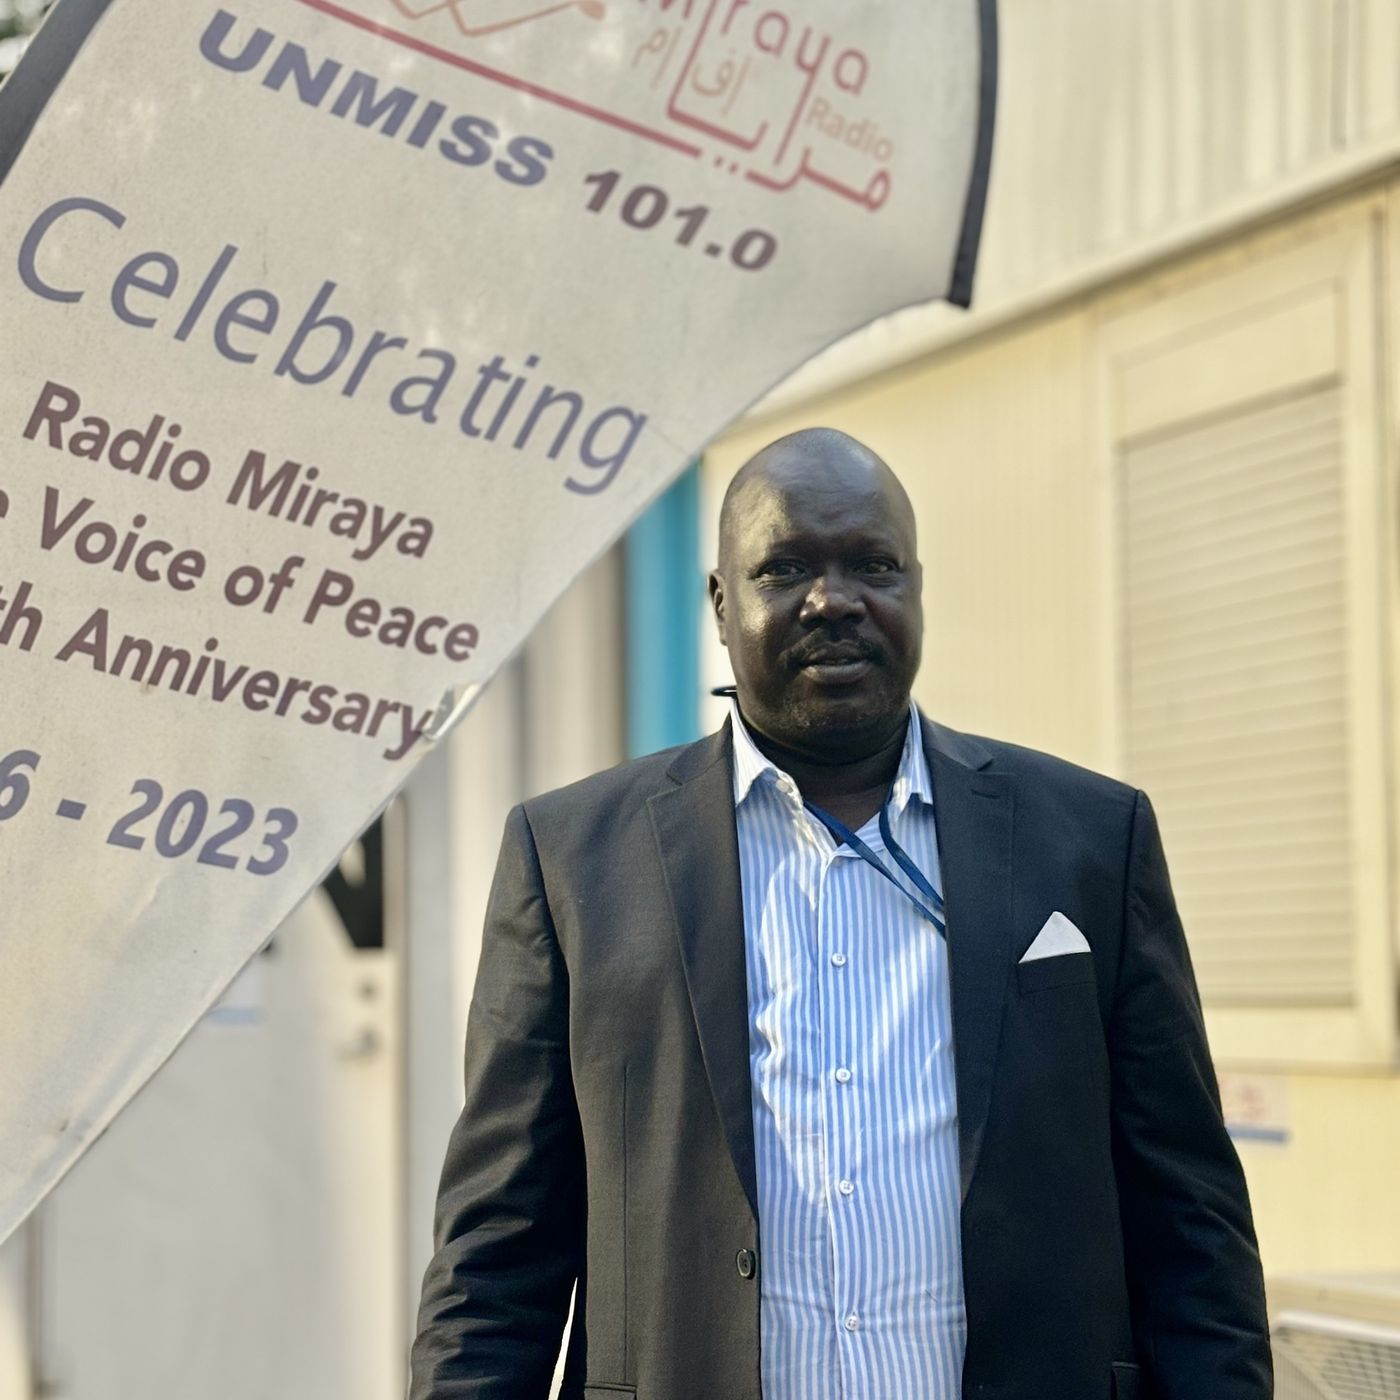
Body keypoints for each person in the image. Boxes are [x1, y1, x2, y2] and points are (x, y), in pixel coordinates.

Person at [410, 427, 1272, 1400]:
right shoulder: (572, 858)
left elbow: (1191, 1220)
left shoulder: (1090, 839)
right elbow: (497, 1248)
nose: (833, 599)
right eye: (784, 569)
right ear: (720, 603)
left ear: (916, 589)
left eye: (872, 565)